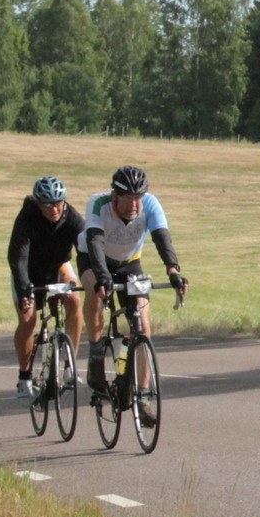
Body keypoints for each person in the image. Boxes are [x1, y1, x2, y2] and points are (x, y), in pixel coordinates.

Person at [79, 165, 188, 395]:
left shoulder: (151, 203)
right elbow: (95, 241)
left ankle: (144, 392)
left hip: (129, 262)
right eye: (128, 198)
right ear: (115, 196)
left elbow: (162, 238)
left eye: (138, 198)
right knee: (95, 290)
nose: (134, 205)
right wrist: (103, 277)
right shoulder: (98, 203)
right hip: (94, 259)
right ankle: (96, 350)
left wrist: (173, 271)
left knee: (142, 326)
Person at [8, 176, 84, 403]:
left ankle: (70, 365)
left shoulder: (72, 217)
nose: (54, 209)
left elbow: (87, 250)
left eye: (58, 203)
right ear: (38, 204)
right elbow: (18, 256)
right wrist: (24, 290)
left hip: (58, 265)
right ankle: (24, 378)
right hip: (29, 272)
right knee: (28, 319)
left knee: (74, 300)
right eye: (48, 205)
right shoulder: (27, 217)